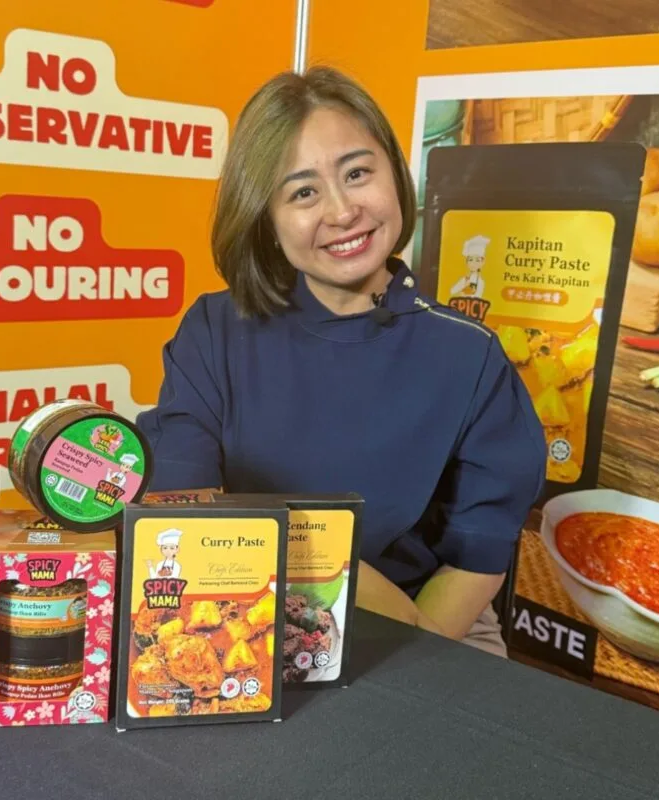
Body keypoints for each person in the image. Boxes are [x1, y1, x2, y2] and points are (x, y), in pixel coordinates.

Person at [135, 66, 545, 656]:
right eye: (303, 192)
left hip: (422, 617)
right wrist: (315, 584)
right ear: (267, 220)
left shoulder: (468, 353)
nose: (343, 210)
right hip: (242, 608)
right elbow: (182, 507)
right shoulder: (214, 329)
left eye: (357, 173)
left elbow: (476, 554)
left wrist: (408, 653)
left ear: (395, 175)